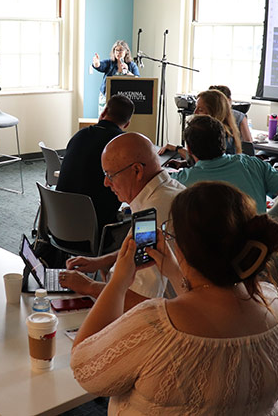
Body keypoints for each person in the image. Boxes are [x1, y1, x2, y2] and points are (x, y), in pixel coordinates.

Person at [70, 181, 278, 415]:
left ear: (181, 246)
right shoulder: (277, 303)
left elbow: (85, 369)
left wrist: (117, 283)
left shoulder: (157, 324)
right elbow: (210, 304)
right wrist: (175, 272)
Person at [59, 132, 184, 310]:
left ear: (137, 171)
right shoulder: (165, 191)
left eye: (110, 175)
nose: (106, 183)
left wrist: (89, 286)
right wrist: (103, 260)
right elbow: (144, 252)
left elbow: (140, 301)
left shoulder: (154, 214)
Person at [175, 115, 278, 219]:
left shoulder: (180, 181)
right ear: (224, 141)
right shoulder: (252, 164)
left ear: (189, 149)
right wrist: (267, 222)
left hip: (212, 252)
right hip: (257, 249)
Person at [57, 94, 134, 229]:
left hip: (59, 223)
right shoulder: (122, 145)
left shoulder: (79, 135)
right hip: (97, 231)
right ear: (127, 124)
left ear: (104, 112)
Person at [160, 88, 241, 162]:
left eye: (201, 110)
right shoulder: (228, 130)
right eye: (196, 107)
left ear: (214, 112)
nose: (195, 113)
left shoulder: (218, 135)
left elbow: (205, 163)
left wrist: (177, 149)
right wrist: (184, 163)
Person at [91, 40, 140, 115]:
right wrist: (96, 63)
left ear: (126, 51)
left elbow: (138, 79)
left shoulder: (132, 65)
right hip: (107, 96)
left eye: (120, 50)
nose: (118, 52)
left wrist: (127, 72)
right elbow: (100, 66)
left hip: (124, 98)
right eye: (116, 50)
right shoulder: (110, 63)